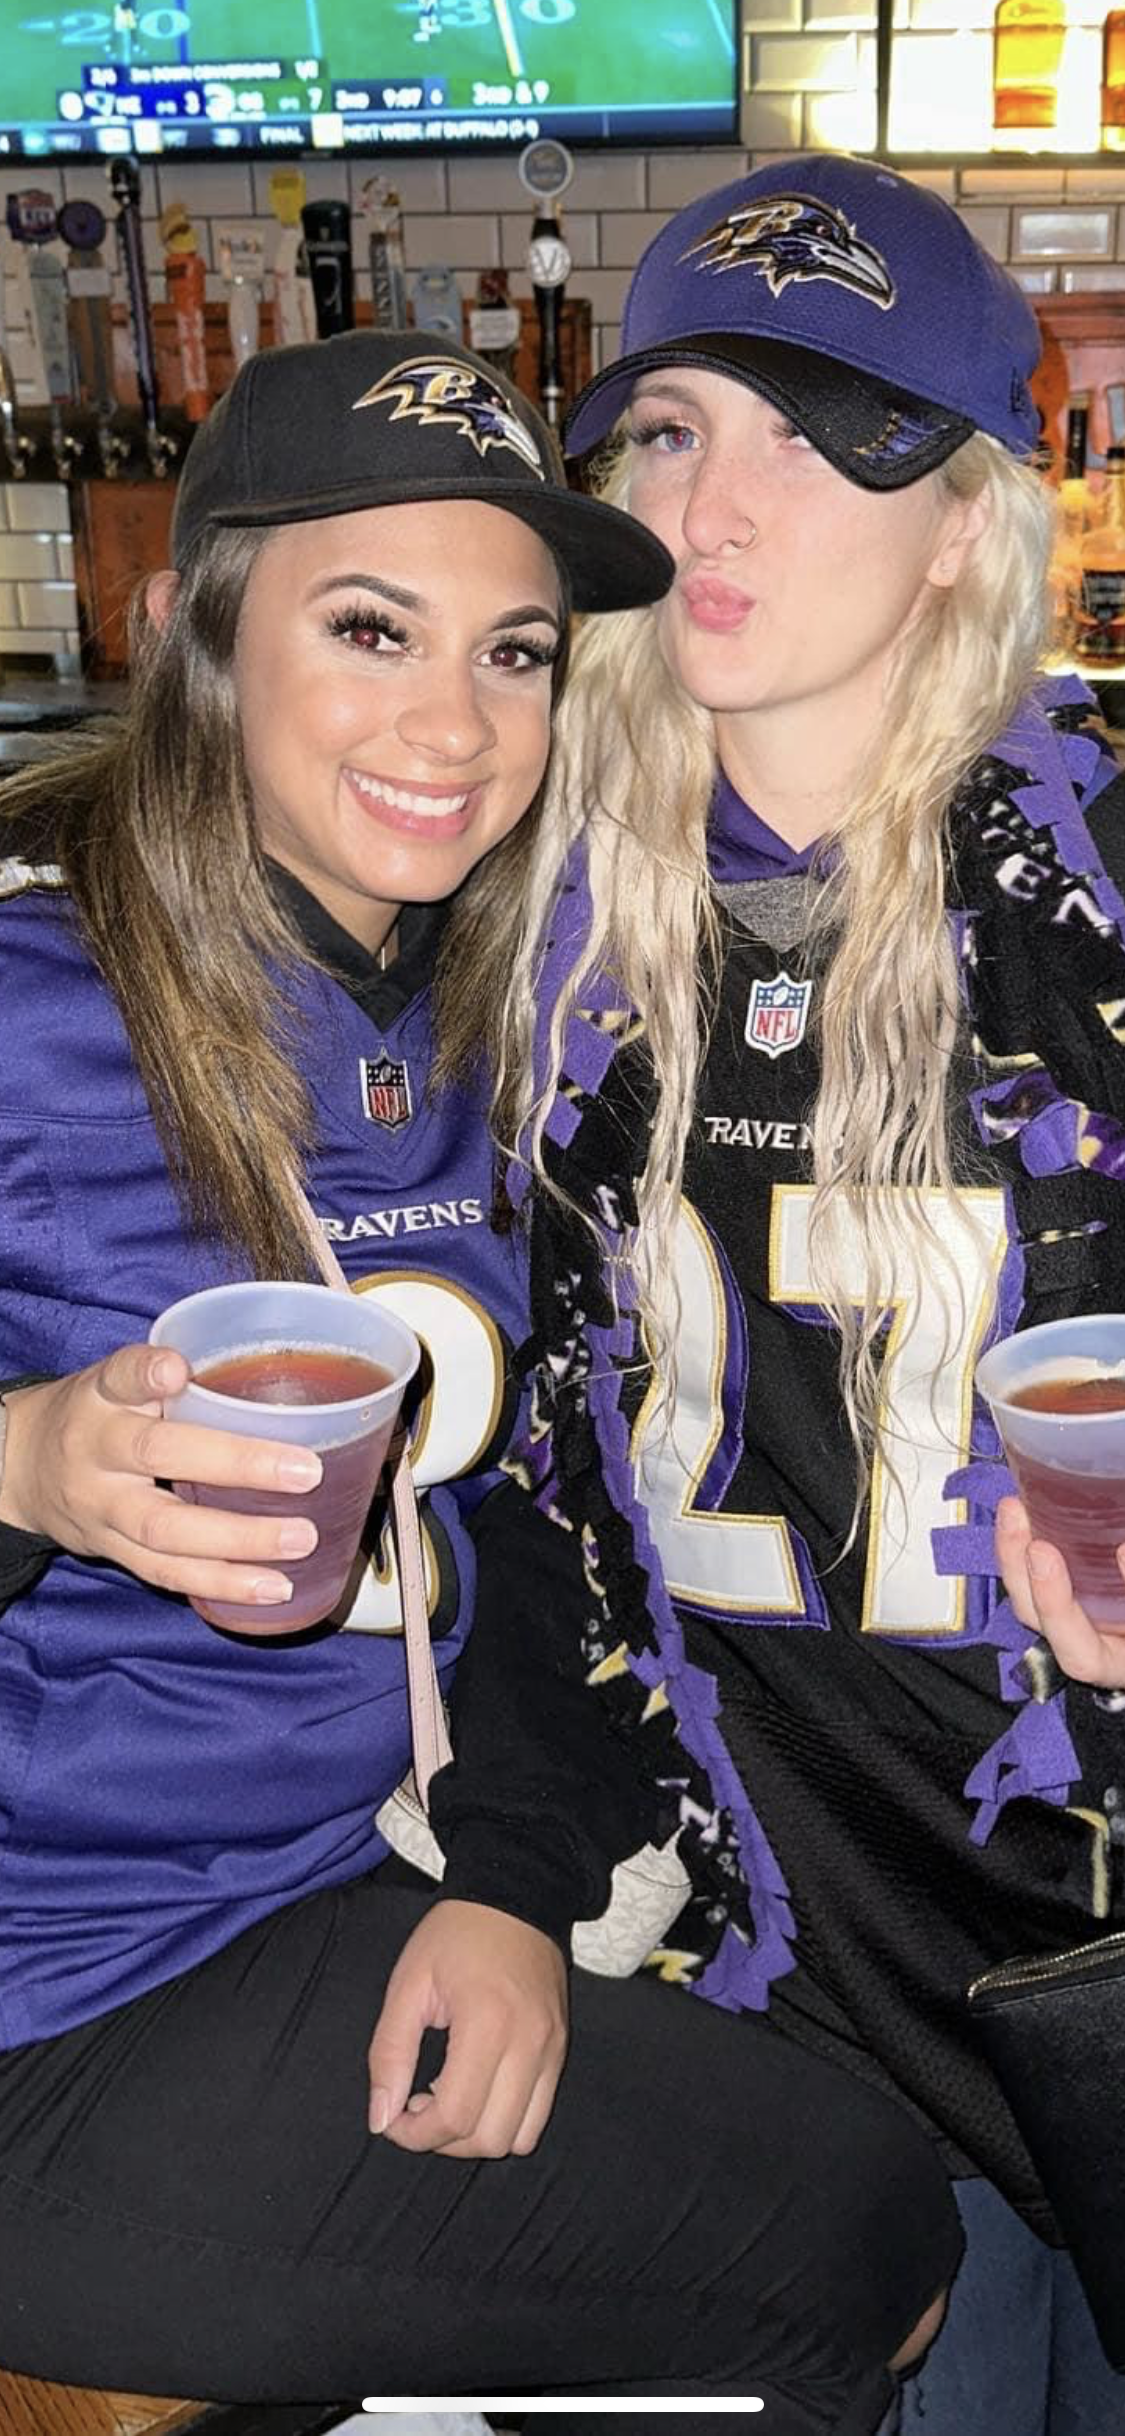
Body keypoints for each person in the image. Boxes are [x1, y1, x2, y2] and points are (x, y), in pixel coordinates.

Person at [0, 326, 959, 2431]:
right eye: (371, 628)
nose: (455, 722)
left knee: (856, 2213)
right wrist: (25, 1465)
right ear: (198, 636)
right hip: (57, 1996)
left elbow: (529, 1529)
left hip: (338, 1882)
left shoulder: (486, 1022)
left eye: (514, 652)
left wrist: (509, 1887)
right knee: (856, 2247)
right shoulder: (29, 994)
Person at [484, 155, 1125, 2434]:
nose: (713, 503)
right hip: (756, 1968)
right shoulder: (514, 909)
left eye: (815, 429)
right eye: (667, 429)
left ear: (960, 523)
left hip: (1082, 1918)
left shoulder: (1093, 895)